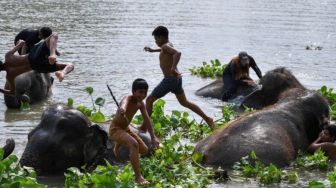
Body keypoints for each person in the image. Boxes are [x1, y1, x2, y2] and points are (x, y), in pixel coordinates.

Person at [143, 26, 215, 130]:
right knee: (184, 102)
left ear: (161, 37)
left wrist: (172, 68)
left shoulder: (165, 47)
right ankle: (208, 119)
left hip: (169, 80)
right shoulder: (167, 45)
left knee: (149, 100)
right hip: (176, 80)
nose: (155, 41)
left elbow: (178, 53)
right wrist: (153, 50)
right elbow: (166, 50)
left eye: (156, 39)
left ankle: (145, 126)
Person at [109, 78, 160, 185]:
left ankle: (120, 144)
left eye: (145, 93)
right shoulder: (128, 98)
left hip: (126, 129)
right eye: (140, 92)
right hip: (116, 129)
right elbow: (124, 103)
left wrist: (153, 137)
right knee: (134, 144)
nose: (142, 95)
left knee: (145, 150)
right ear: (133, 91)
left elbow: (147, 120)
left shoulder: (141, 104)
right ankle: (138, 177)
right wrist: (122, 108)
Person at [0, 32, 74, 96]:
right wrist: (19, 42)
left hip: (38, 68)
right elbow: (22, 43)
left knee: (69, 65)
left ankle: (60, 71)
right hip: (32, 58)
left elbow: (12, 93)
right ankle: (54, 58)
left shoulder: (9, 76)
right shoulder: (8, 56)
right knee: (54, 35)